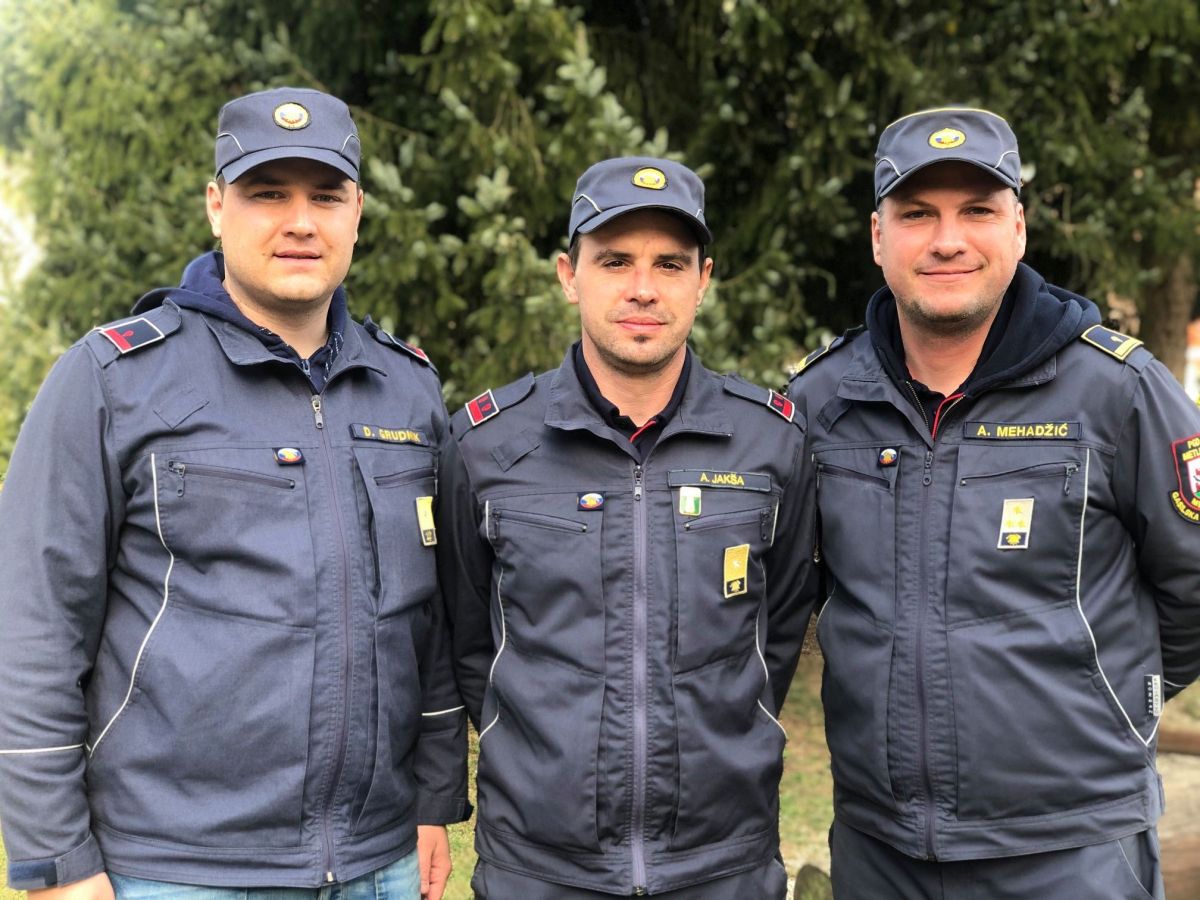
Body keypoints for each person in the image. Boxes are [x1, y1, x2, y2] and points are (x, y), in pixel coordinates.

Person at [0, 87, 468, 900]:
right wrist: (55, 860)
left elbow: (425, 628)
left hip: (377, 863)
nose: (300, 222)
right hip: (176, 871)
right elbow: (31, 628)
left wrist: (433, 797)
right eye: (267, 194)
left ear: (358, 213)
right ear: (217, 206)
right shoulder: (113, 381)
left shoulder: (407, 391)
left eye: (326, 196)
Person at [786, 106, 1200, 899]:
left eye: (977, 210)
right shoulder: (822, 400)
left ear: (1018, 228)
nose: (947, 240)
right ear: (878, 237)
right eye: (917, 214)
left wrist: (1115, 703)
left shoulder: (1119, 393)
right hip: (882, 848)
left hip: (1069, 850)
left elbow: (1193, 590)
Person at [438, 157, 812, 898]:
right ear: (568, 275)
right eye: (614, 261)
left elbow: (780, 627)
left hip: (722, 864)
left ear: (703, 280)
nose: (643, 287)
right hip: (541, 869)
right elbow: (469, 639)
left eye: (669, 264)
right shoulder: (486, 446)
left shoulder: (772, 442)